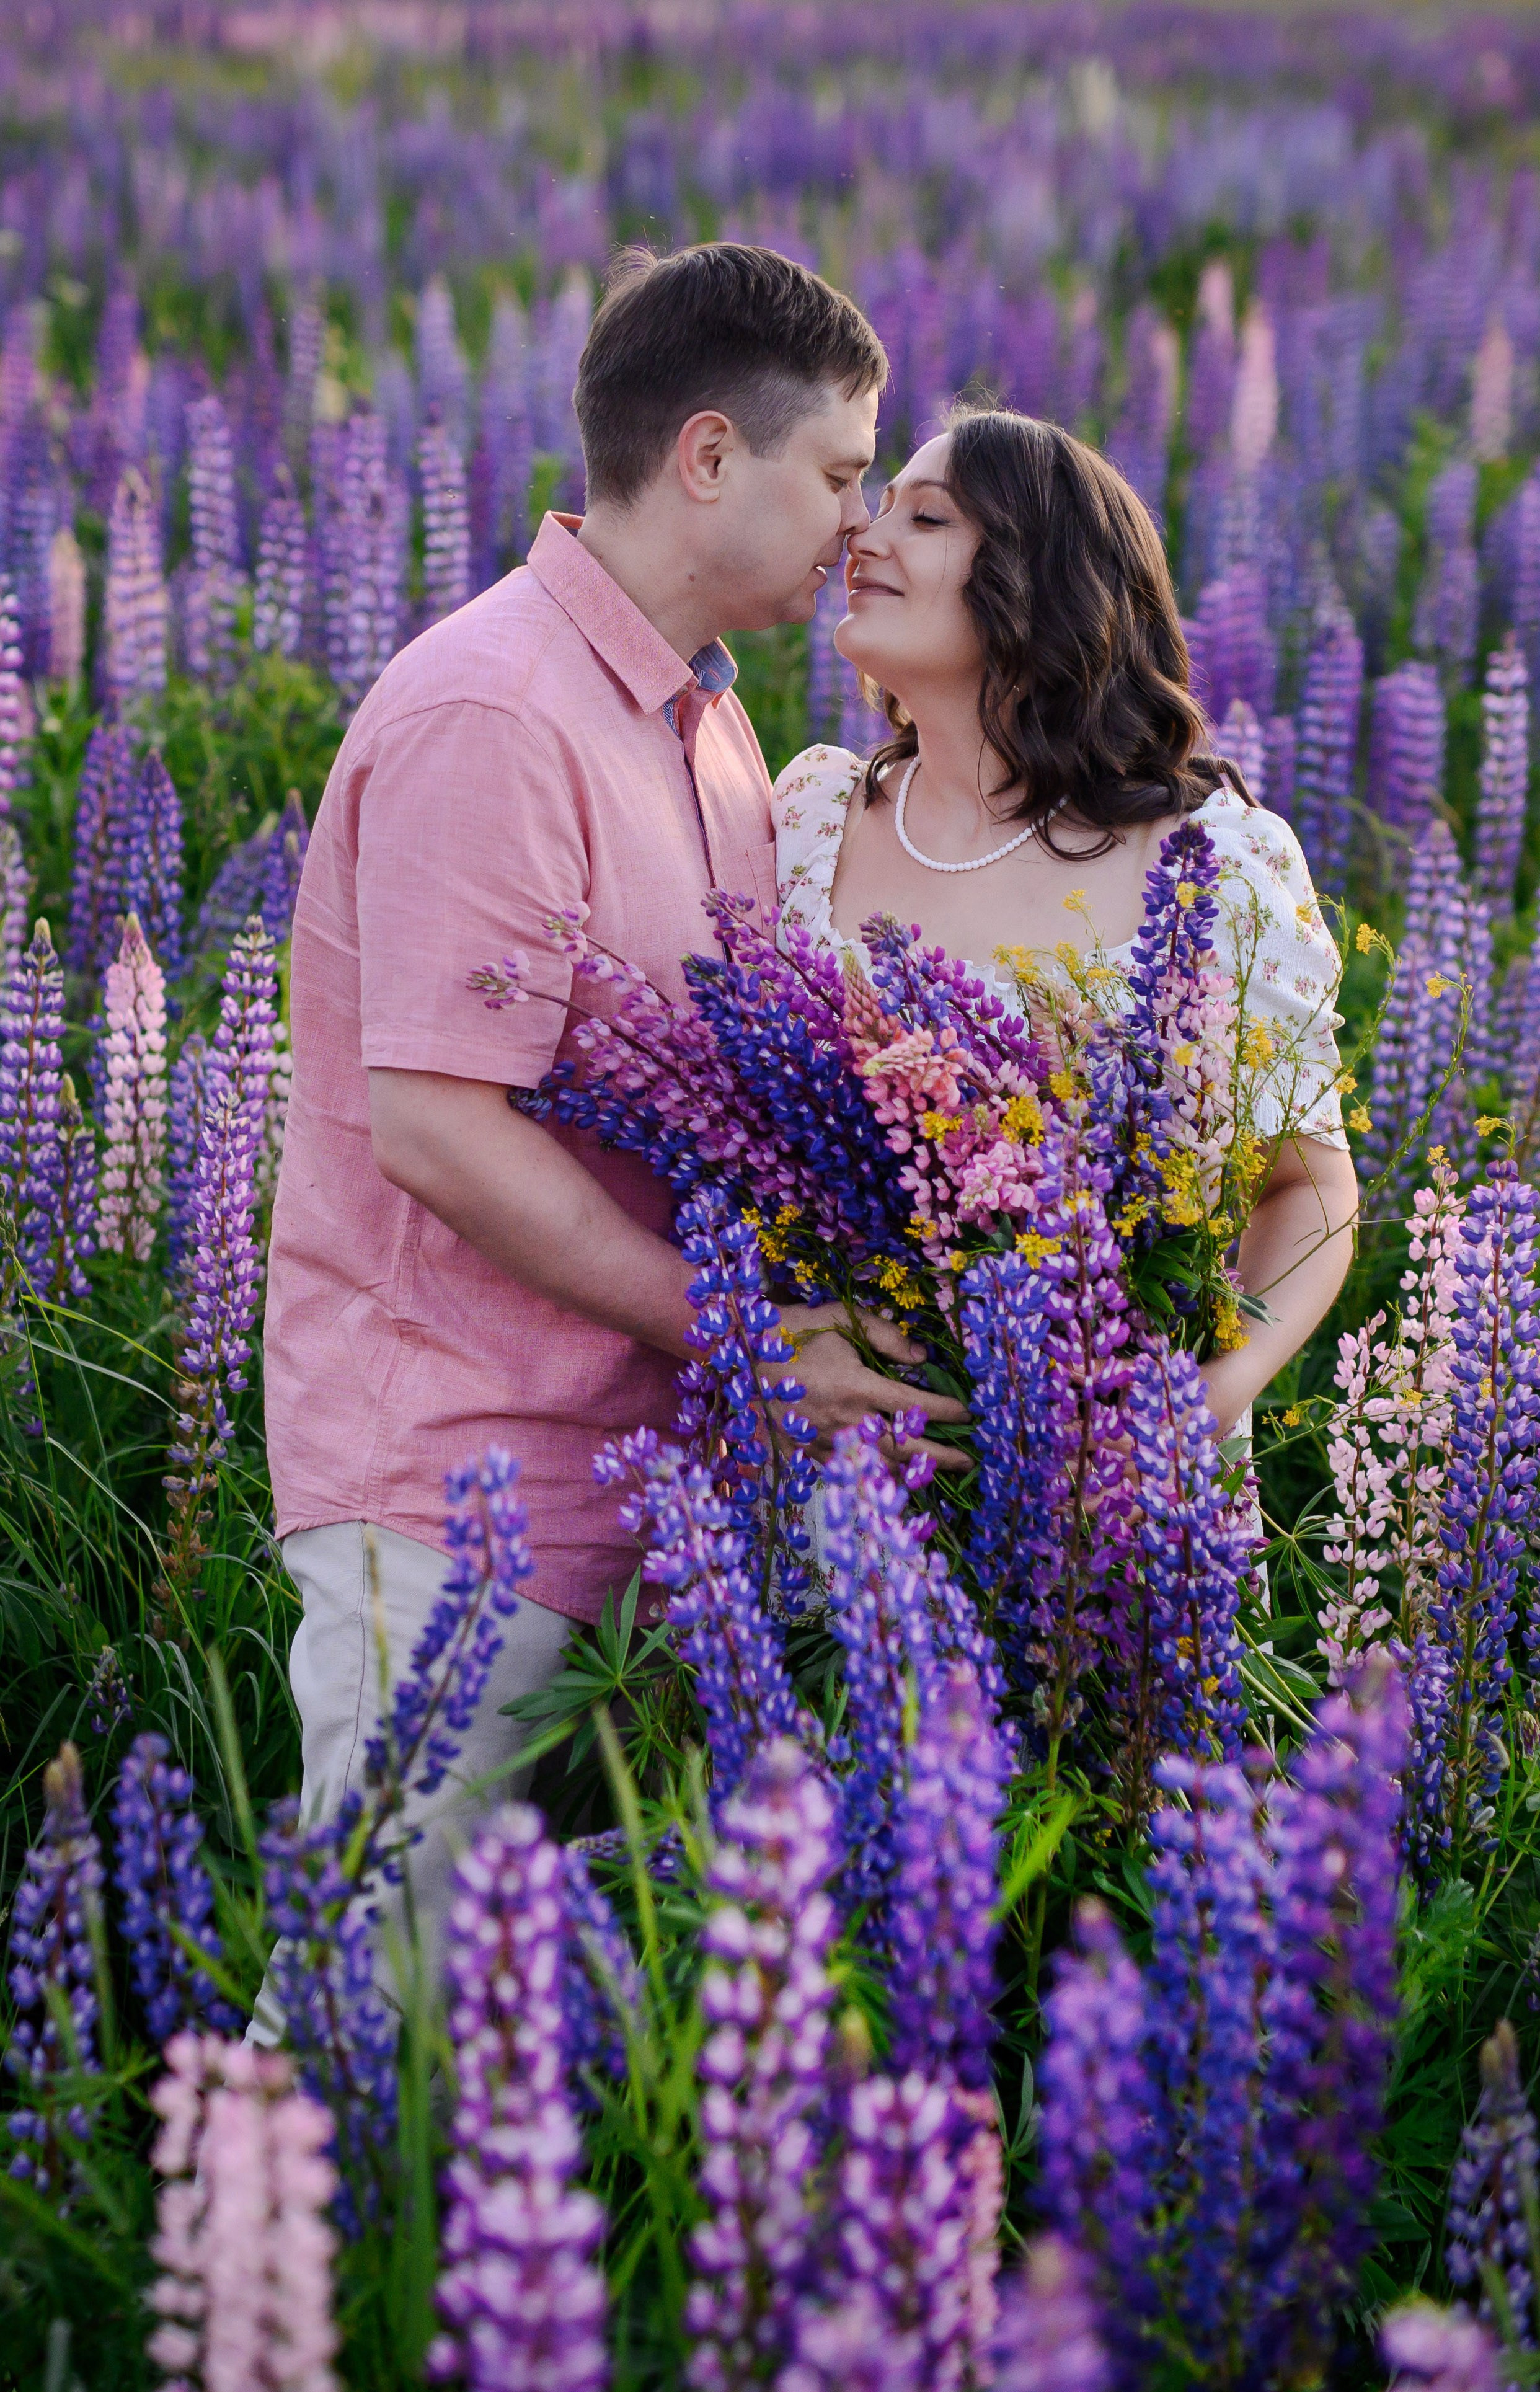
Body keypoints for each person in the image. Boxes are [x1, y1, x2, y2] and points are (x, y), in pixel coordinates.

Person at [256, 244, 967, 2022]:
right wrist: (744, 1334)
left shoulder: (706, 723)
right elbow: (431, 1127)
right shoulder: (494, 708)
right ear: (709, 457)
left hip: (641, 1499)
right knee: (363, 2021)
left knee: (519, 2050)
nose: (856, 519)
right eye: (835, 470)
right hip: (450, 1488)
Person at [772, 405, 1360, 1436]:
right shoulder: (813, 813)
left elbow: (1309, 1189)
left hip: (1105, 1482)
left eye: (927, 516)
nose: (865, 534)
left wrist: (1218, 1388)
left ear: (1038, 579)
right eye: (881, 505)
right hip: (838, 1477)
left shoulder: (1209, 855)